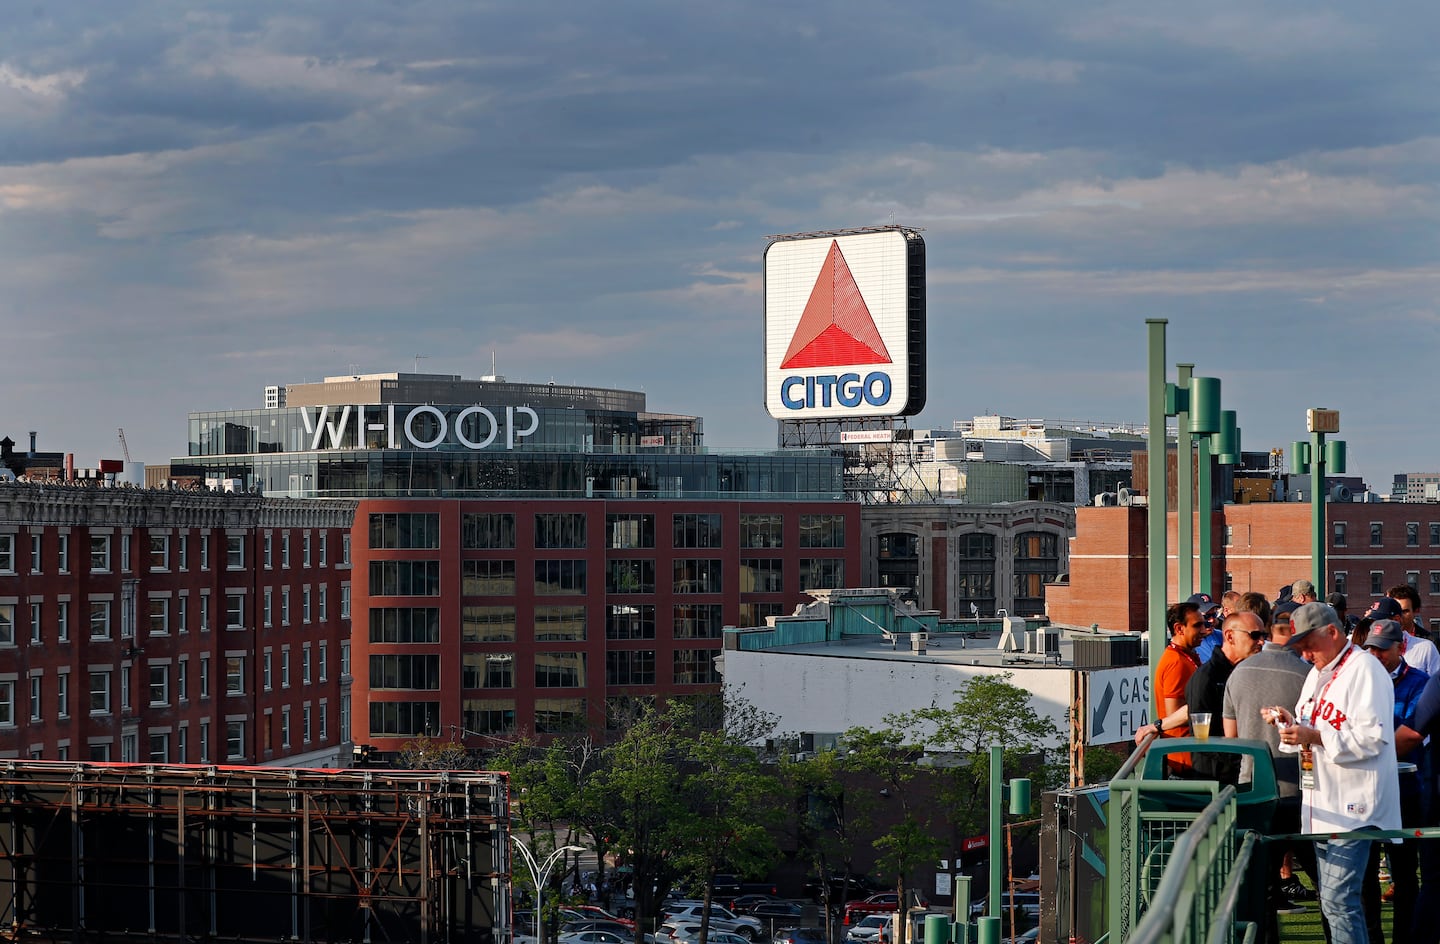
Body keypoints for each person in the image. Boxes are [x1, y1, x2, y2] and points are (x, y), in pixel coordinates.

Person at [1270, 602, 1401, 944]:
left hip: (1356, 807)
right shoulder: (1316, 673)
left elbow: (1374, 740)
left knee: (1340, 902)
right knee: (1333, 904)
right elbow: (1312, 729)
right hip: (1323, 803)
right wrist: (1290, 725)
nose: (1304, 652)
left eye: (1308, 644)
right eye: (1298, 646)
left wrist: (1312, 736)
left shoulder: (1365, 669)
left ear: (1332, 632)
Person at [1225, 607, 1322, 919]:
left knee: (1260, 890)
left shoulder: (1237, 673)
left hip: (1254, 792)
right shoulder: (1308, 675)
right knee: (1327, 884)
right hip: (1302, 792)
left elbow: (1232, 740)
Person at [1363, 619, 1428, 944]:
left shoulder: (1420, 682)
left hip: (1406, 790)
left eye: (1382, 649)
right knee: (1365, 874)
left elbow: (1411, 736)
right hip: (1366, 792)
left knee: (1404, 874)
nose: (1375, 655)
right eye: (1370, 649)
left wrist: (1362, 745)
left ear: (1401, 648)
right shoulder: (1358, 682)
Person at [1187, 611, 1265, 781]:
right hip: (1215, 782)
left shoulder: (1244, 672)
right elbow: (1202, 739)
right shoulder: (1206, 678)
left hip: (1242, 774)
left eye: (1264, 635)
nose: (1262, 641)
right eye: (1255, 635)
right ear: (1230, 636)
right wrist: (1243, 759)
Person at [1133, 602, 1207, 769]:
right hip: (1186, 761)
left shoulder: (1186, 656)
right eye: (1197, 625)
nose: (1204, 630)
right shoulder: (1176, 662)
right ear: (1179, 629)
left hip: (1192, 755)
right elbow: (1174, 715)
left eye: (1204, 624)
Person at [1371, 595, 1440, 677]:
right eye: (1372, 621)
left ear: (1396, 619)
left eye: (1379, 621)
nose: (1374, 625)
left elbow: (1436, 684)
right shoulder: (1368, 652)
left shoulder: (1425, 648)